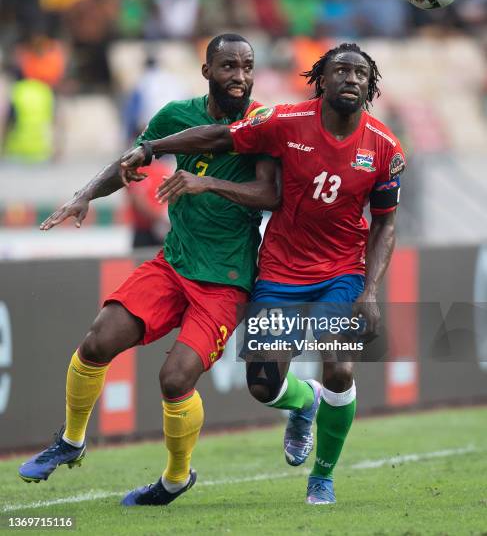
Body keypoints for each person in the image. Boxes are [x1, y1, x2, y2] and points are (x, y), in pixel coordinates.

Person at [120, 42, 406, 506]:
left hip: (343, 272)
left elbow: (386, 222)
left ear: (370, 84)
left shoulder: (385, 147)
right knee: (263, 385)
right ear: (321, 79)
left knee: (339, 368)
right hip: (281, 271)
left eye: (360, 73)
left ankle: (323, 477)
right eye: (341, 71)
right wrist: (152, 147)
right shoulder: (284, 122)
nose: (351, 79)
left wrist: (370, 289)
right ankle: (303, 404)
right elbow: (218, 137)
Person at [18, 33, 281, 507]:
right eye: (228, 67)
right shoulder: (175, 117)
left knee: (175, 379)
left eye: (246, 66)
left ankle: (176, 478)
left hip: (225, 280)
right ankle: (72, 441)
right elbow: (131, 162)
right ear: (207, 72)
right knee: (98, 340)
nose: (239, 76)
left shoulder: (262, 122)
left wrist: (206, 184)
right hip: (173, 262)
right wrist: (84, 195)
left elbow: (271, 195)